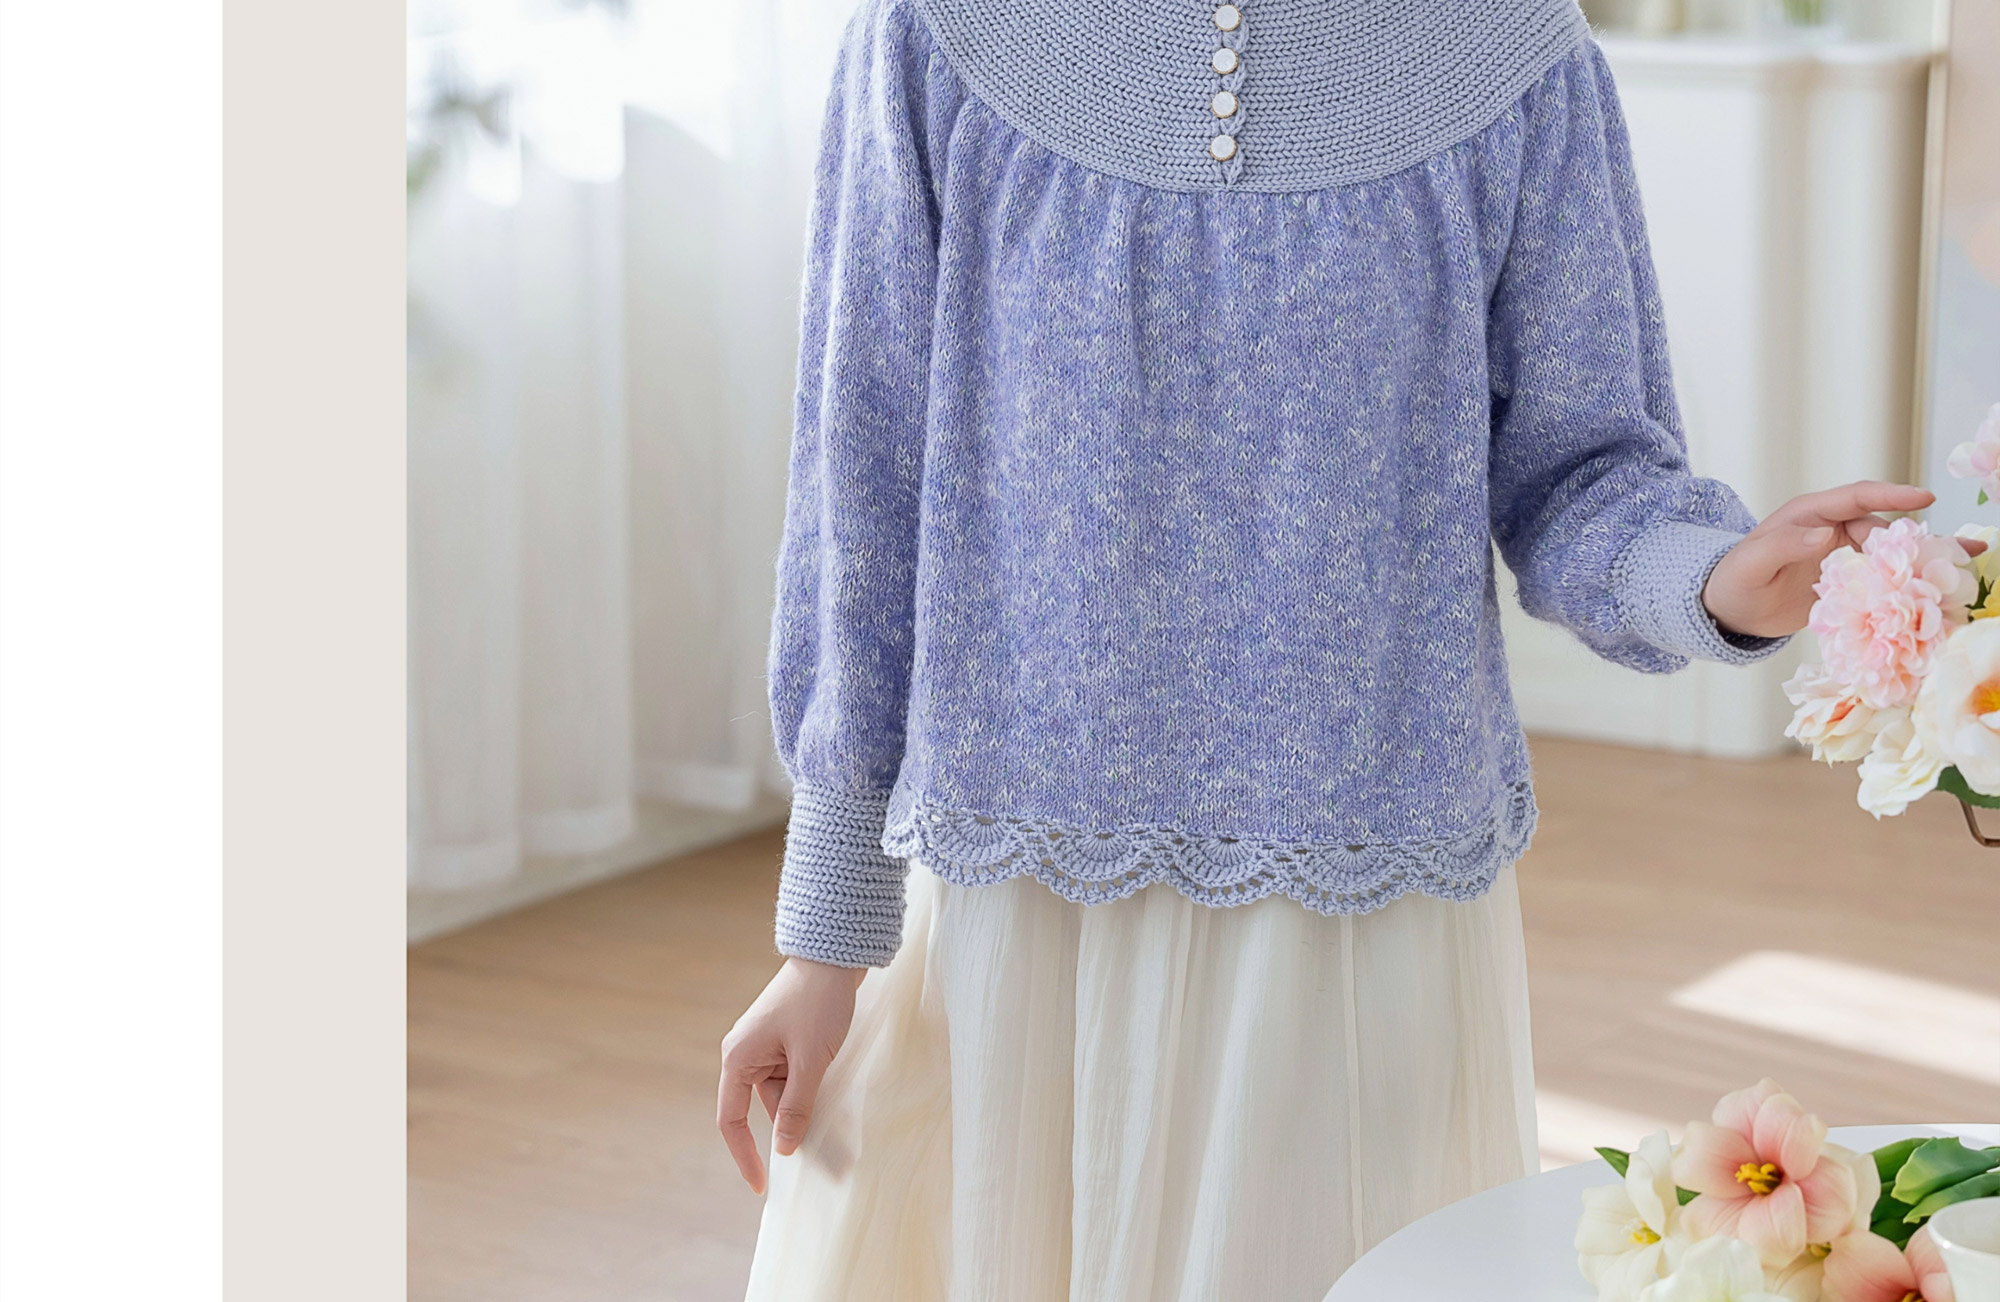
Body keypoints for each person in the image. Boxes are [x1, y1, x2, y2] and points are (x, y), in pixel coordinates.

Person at [717, 0, 1942, 1295]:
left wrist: (1709, 579)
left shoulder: (1509, 54)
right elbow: (862, 494)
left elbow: (1582, 472)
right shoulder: (940, 35)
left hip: (1357, 902)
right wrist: (825, 935)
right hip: (1015, 896)